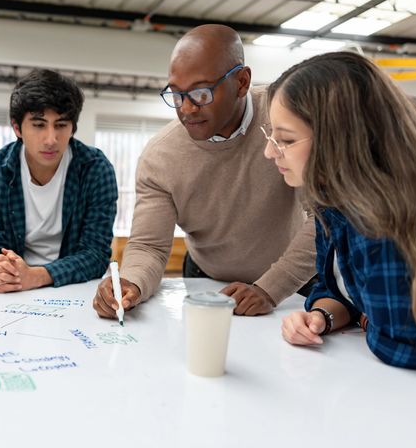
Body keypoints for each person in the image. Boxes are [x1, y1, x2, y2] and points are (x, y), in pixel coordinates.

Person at [93, 24, 316, 319]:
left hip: (291, 285)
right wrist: (130, 282)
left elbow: (322, 220)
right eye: (175, 94)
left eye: (200, 93)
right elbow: (149, 245)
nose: (186, 109)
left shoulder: (286, 120)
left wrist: (270, 289)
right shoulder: (161, 157)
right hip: (206, 281)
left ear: (241, 81)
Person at [266, 51, 416, 370]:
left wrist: (360, 317)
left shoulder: (385, 219)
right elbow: (337, 284)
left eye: (286, 140)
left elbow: (405, 349)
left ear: (337, 140)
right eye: (272, 137)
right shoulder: (336, 204)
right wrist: (324, 314)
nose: (270, 152)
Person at [0, 69, 117, 292]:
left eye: (61, 125)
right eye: (39, 125)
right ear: (17, 128)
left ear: (73, 128)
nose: (51, 139)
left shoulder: (95, 168)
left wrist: (36, 276)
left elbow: (96, 254)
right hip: (11, 288)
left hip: (71, 288)